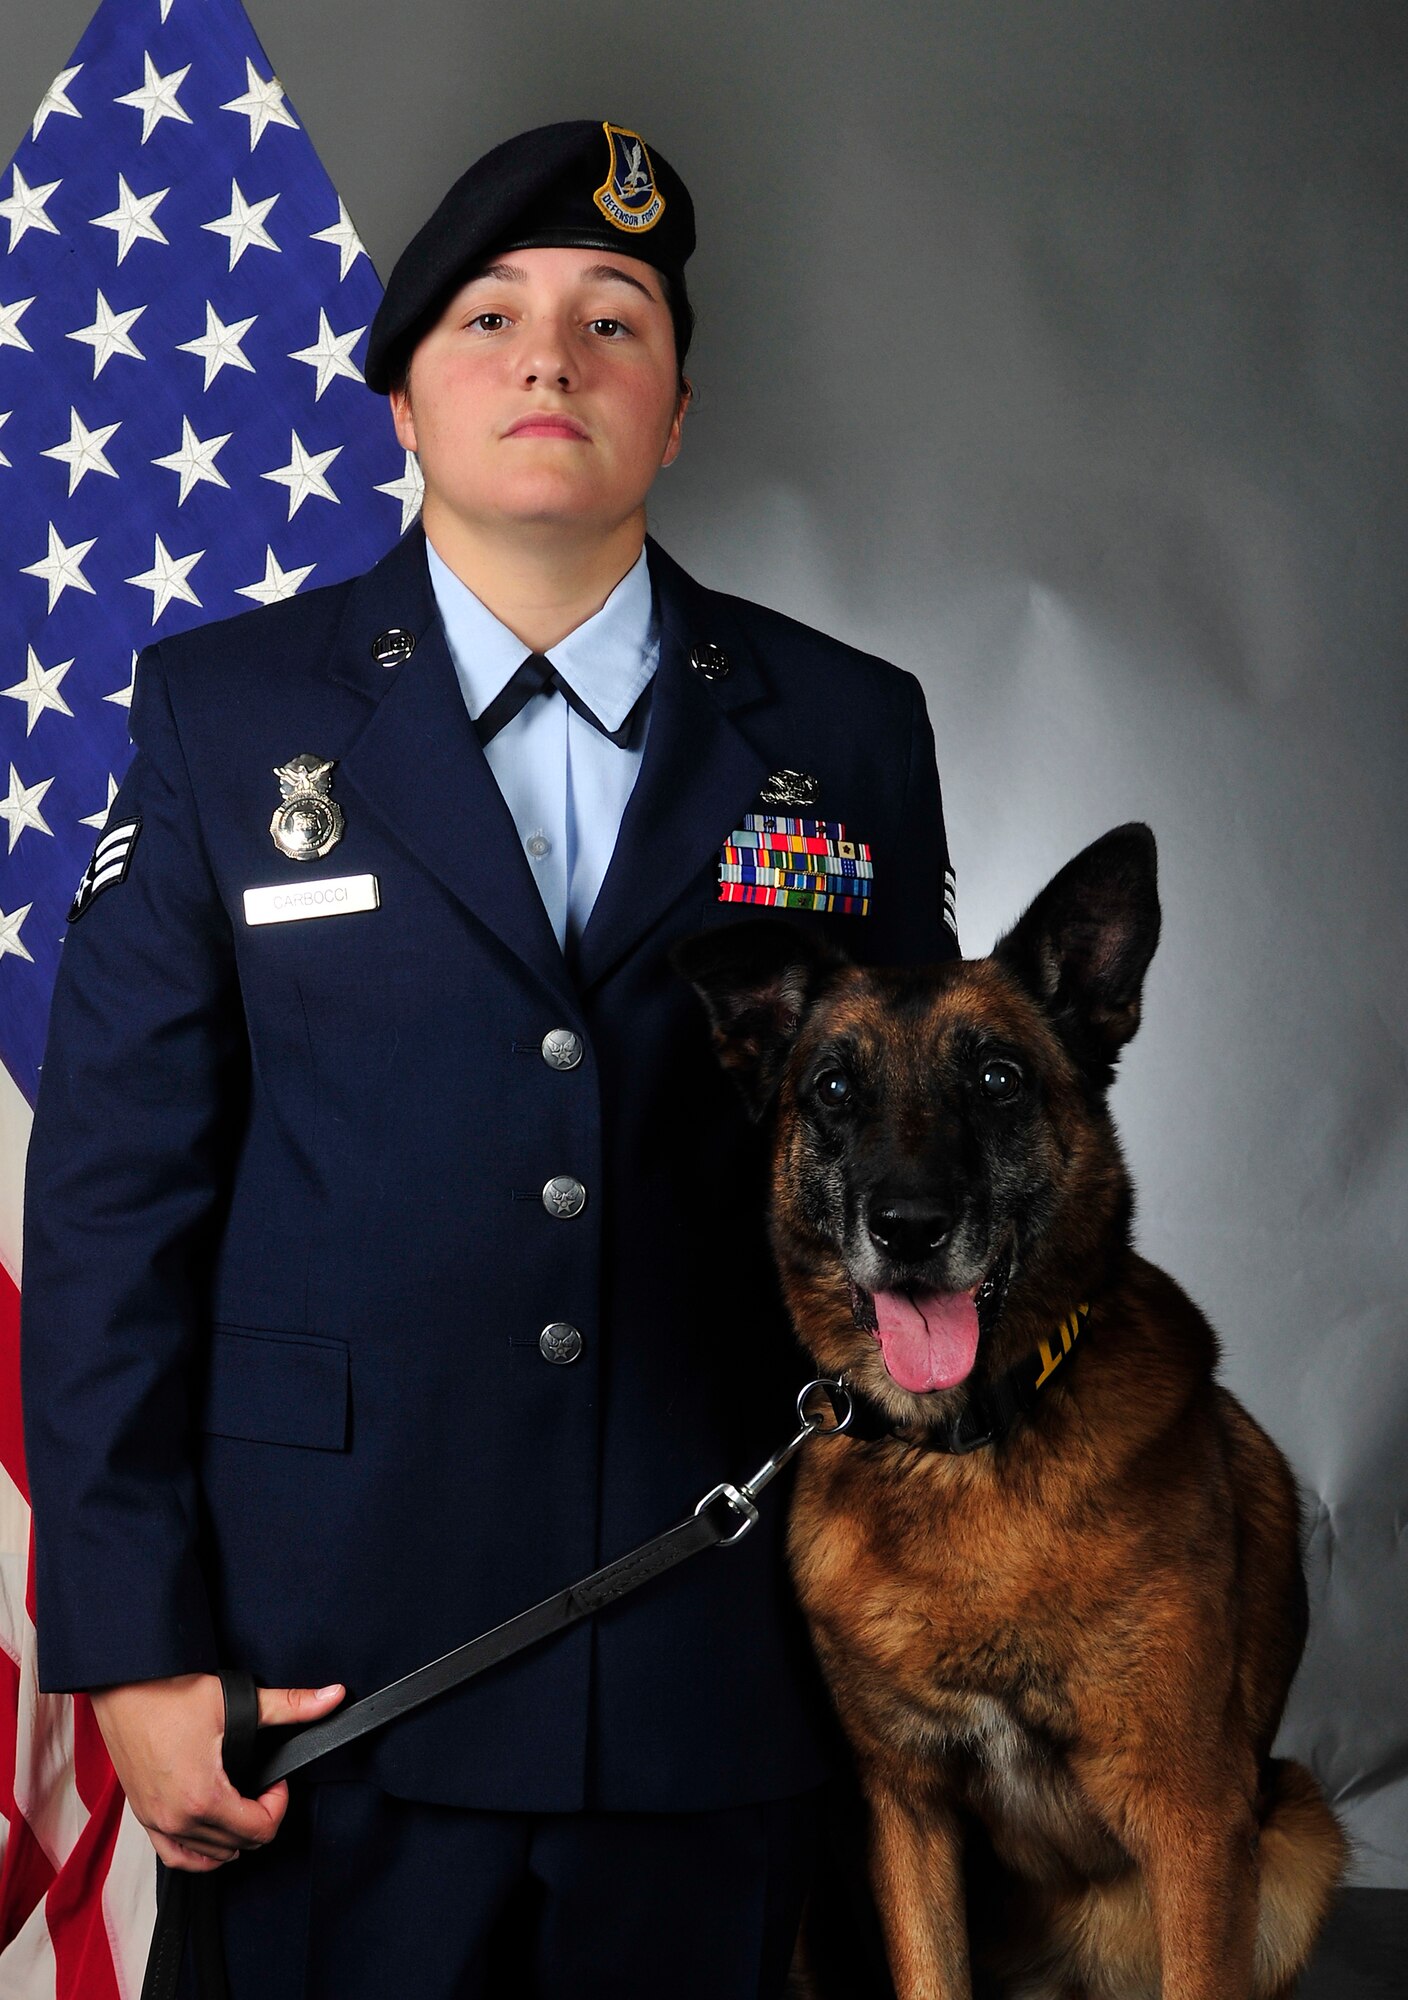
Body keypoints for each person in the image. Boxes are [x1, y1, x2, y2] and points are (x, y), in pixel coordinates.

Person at [21, 119, 959, 1997]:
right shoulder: (228, 717)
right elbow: (117, 1201)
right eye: (489, 318)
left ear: (677, 411)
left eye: (615, 319)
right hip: (328, 1681)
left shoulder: (847, 732)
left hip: (717, 1661)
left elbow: (915, 1201)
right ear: (401, 411)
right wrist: (130, 1650)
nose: (552, 358)